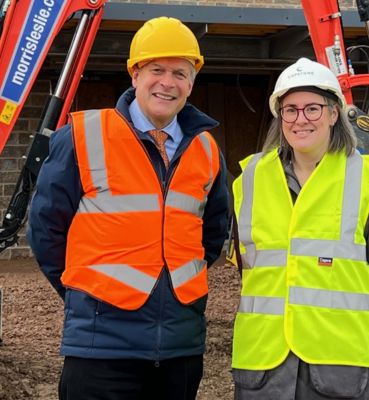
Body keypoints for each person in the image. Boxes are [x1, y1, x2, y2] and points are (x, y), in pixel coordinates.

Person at [26, 17, 229, 400]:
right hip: (101, 349)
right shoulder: (85, 136)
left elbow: (212, 234)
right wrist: (85, 295)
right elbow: (45, 230)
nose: (168, 83)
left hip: (181, 349)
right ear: (135, 74)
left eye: (180, 73)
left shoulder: (206, 150)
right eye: (157, 69)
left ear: (192, 82)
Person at [230, 58, 369, 400]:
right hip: (262, 363)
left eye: (312, 108)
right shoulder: (250, 178)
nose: (300, 119)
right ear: (280, 116)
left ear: (334, 113)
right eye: (290, 110)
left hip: (335, 359)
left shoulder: (367, 179)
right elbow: (246, 267)